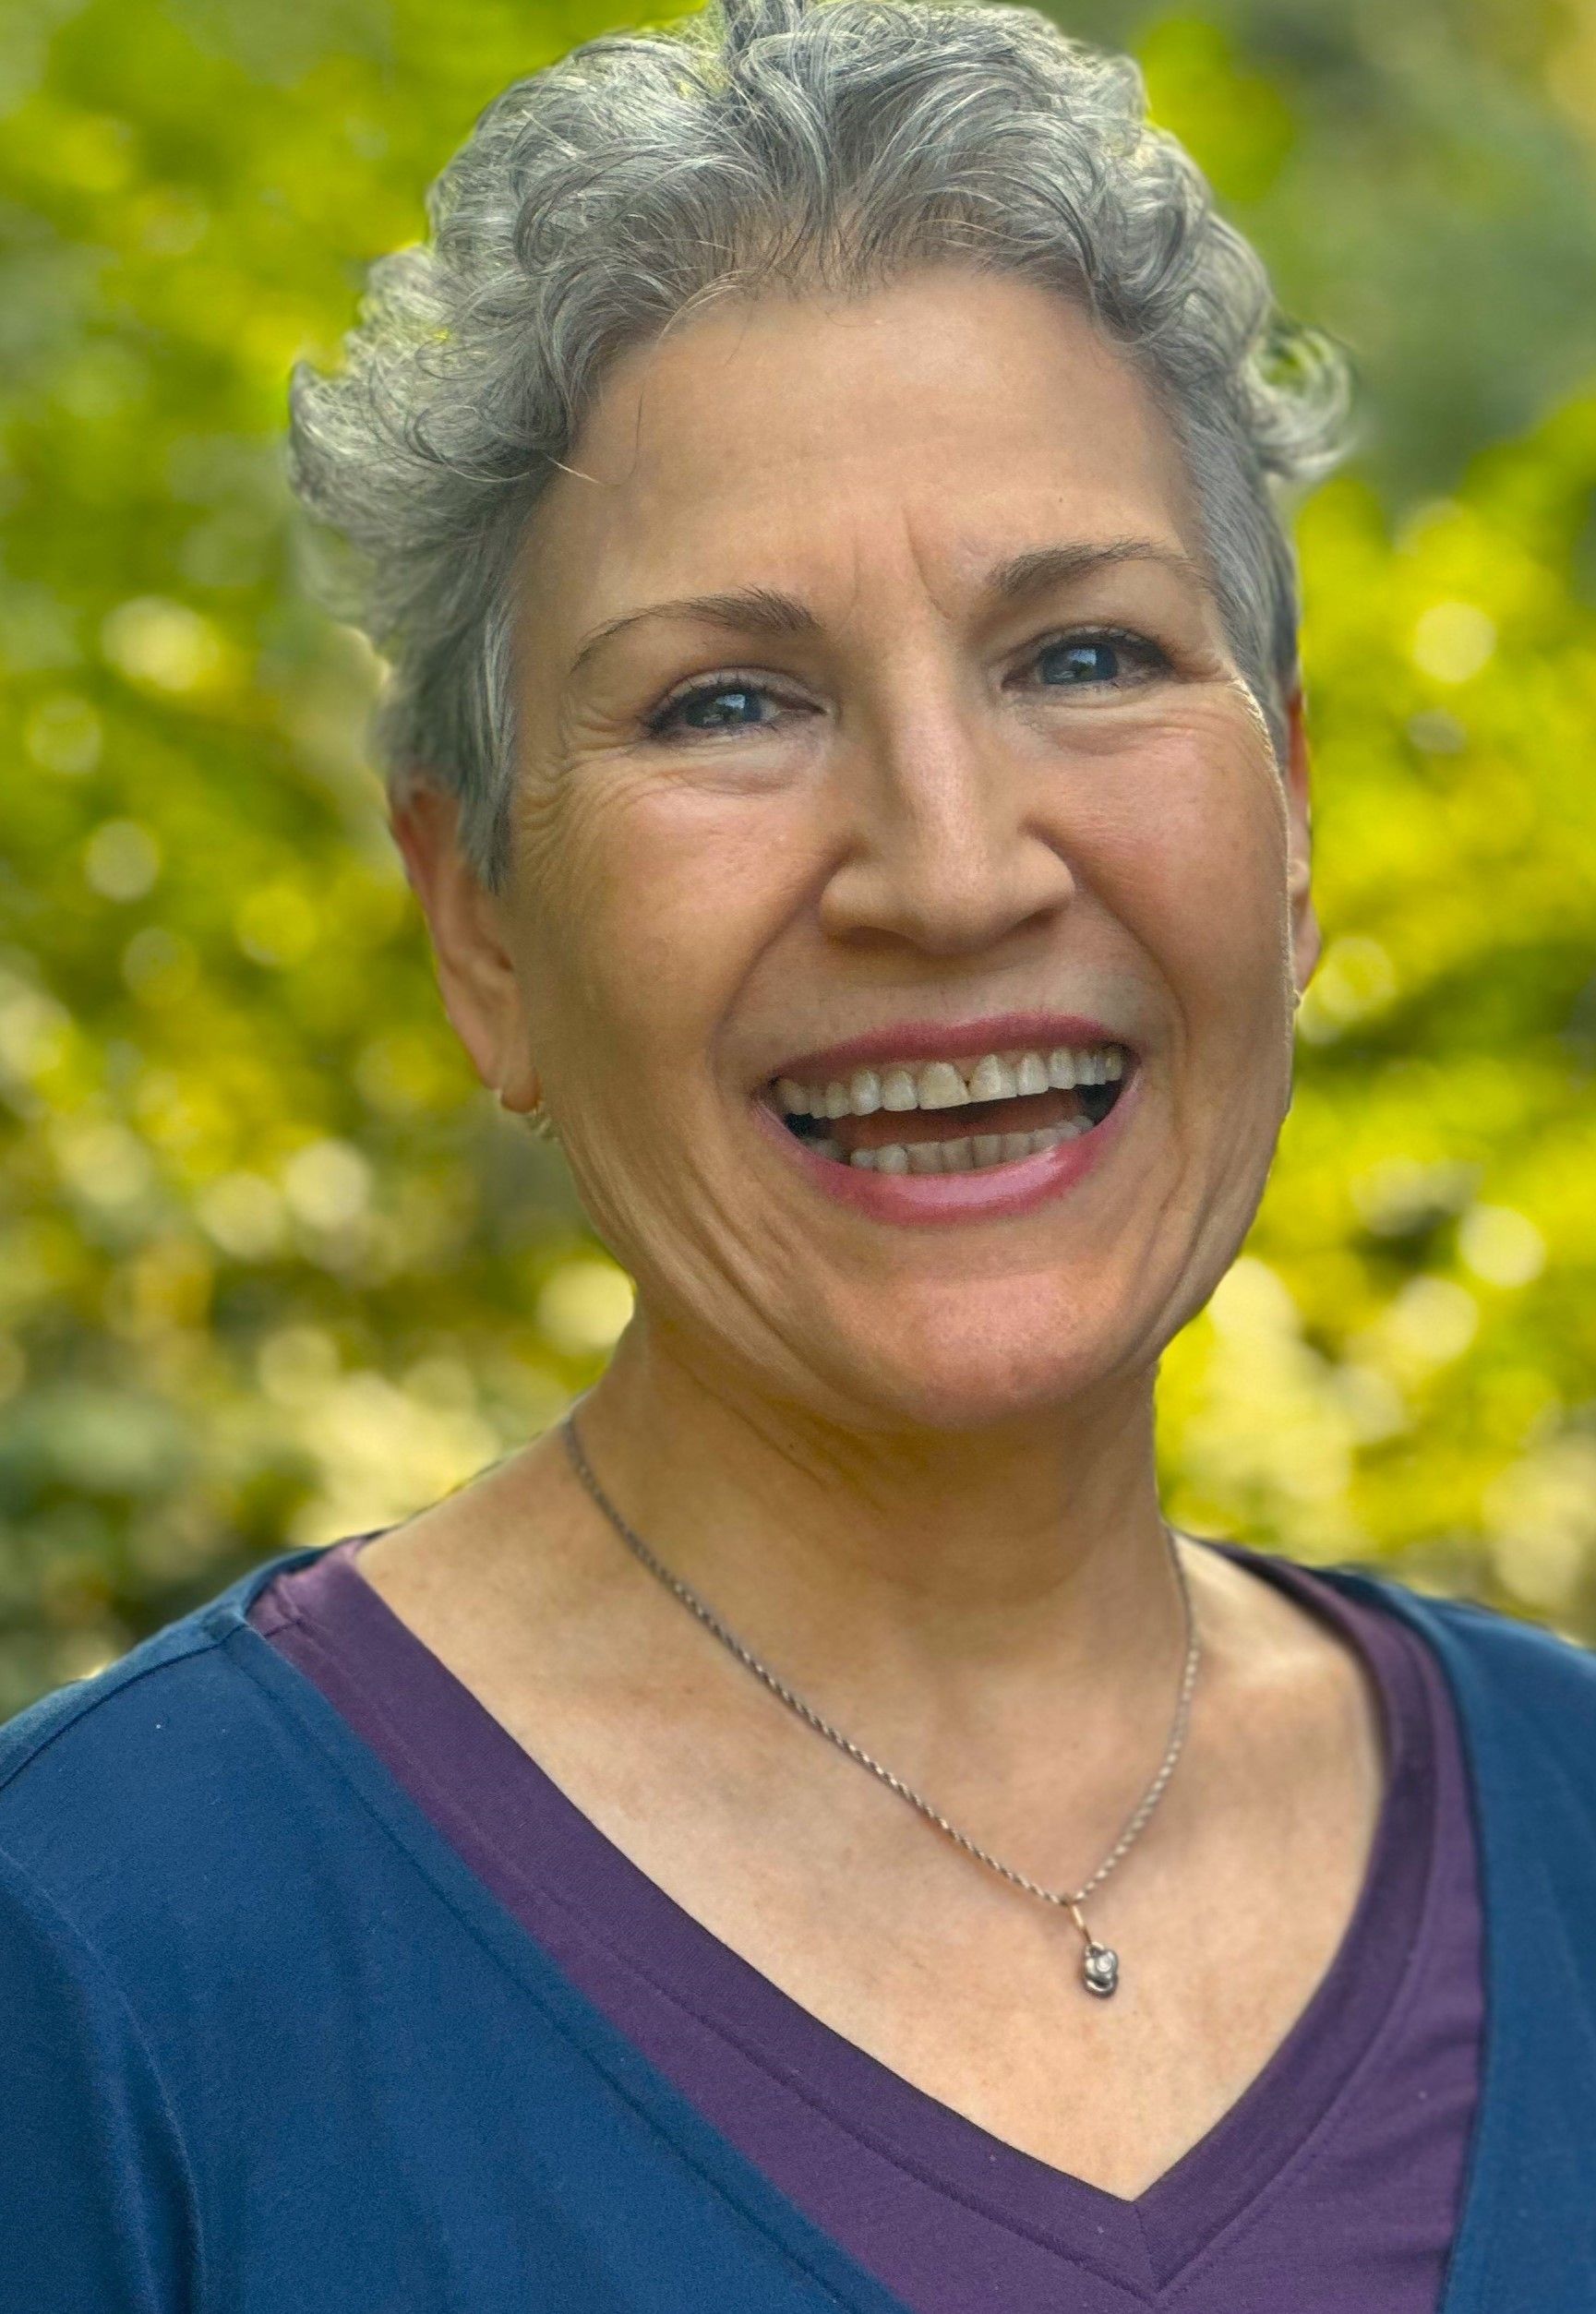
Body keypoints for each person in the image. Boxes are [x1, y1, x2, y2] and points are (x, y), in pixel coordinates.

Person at [3, 0, 1594, 2306]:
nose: (948, 870)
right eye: (724, 703)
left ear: (1292, 828)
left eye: (1085, 656)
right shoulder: (105, 1963)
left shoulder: (1570, 1833)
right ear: (483, 929)